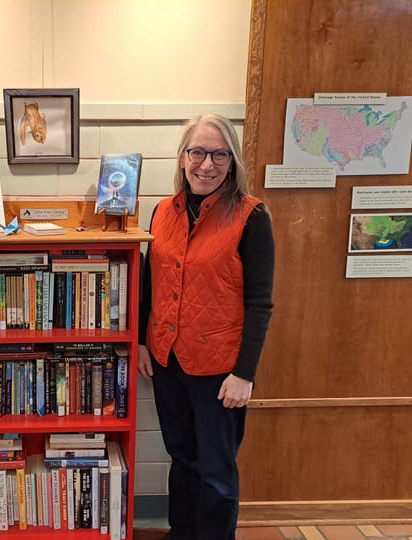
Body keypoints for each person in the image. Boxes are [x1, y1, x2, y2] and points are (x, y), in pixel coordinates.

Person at [138, 113, 275, 540]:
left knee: (216, 470)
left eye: (219, 154)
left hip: (221, 372)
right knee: (181, 457)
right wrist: (143, 342)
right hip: (167, 361)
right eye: (197, 152)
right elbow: (149, 283)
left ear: (232, 162)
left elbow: (260, 303)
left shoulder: (252, 217)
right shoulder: (162, 212)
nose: (206, 164)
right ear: (183, 159)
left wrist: (244, 374)